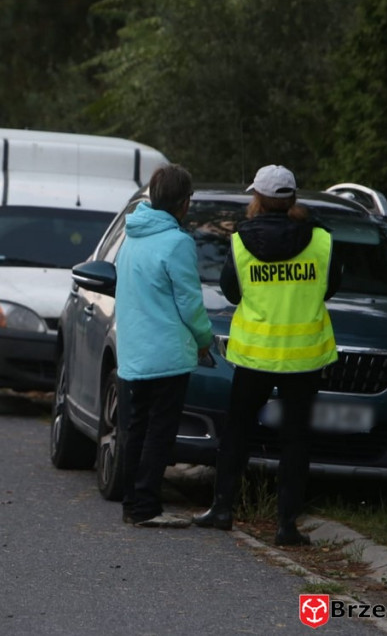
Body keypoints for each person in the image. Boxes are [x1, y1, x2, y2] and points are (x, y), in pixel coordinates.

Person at [194, 164, 340, 546]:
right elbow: (330, 288)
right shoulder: (321, 239)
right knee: (296, 441)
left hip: (255, 357)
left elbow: (230, 292)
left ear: (257, 198)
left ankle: (223, 509)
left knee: (237, 432)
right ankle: (287, 526)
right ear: (293, 198)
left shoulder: (241, 242)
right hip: (304, 358)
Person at [115, 164, 213, 528]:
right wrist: (204, 340)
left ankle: (132, 504)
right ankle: (147, 507)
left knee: (135, 428)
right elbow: (189, 303)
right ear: (184, 203)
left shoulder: (131, 238)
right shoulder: (177, 243)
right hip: (167, 355)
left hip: (133, 352)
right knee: (160, 431)